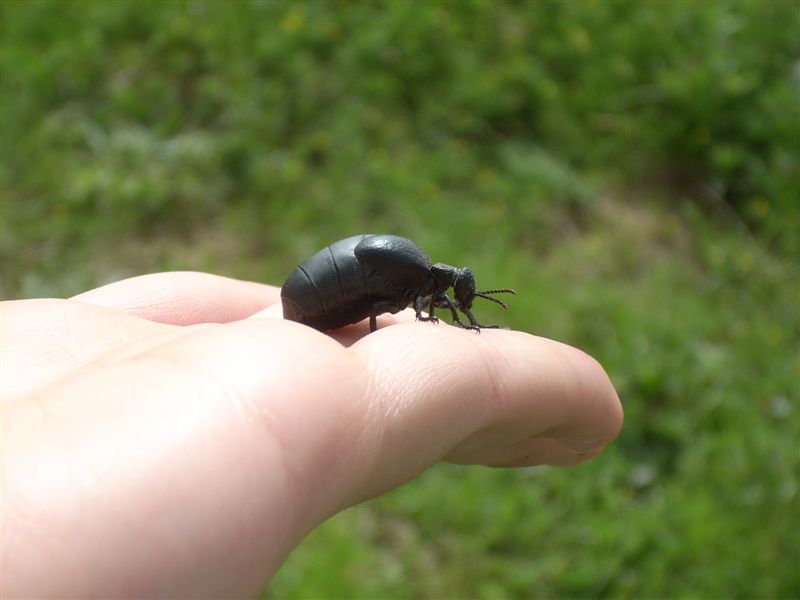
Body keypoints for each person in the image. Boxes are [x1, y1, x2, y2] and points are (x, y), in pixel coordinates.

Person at [1, 271, 623, 598]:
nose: (460, 306)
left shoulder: (417, 283)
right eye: (459, 298)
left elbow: (413, 304)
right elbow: (405, 303)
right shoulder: (412, 277)